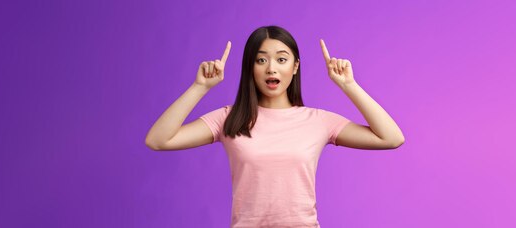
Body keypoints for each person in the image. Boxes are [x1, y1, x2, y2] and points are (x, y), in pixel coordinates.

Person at [145, 25, 405, 228]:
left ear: (295, 67)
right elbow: (158, 140)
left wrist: (349, 85)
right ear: (251, 68)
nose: (271, 68)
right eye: (261, 60)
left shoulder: (318, 120)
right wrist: (199, 87)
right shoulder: (229, 118)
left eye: (282, 59)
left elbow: (391, 138)